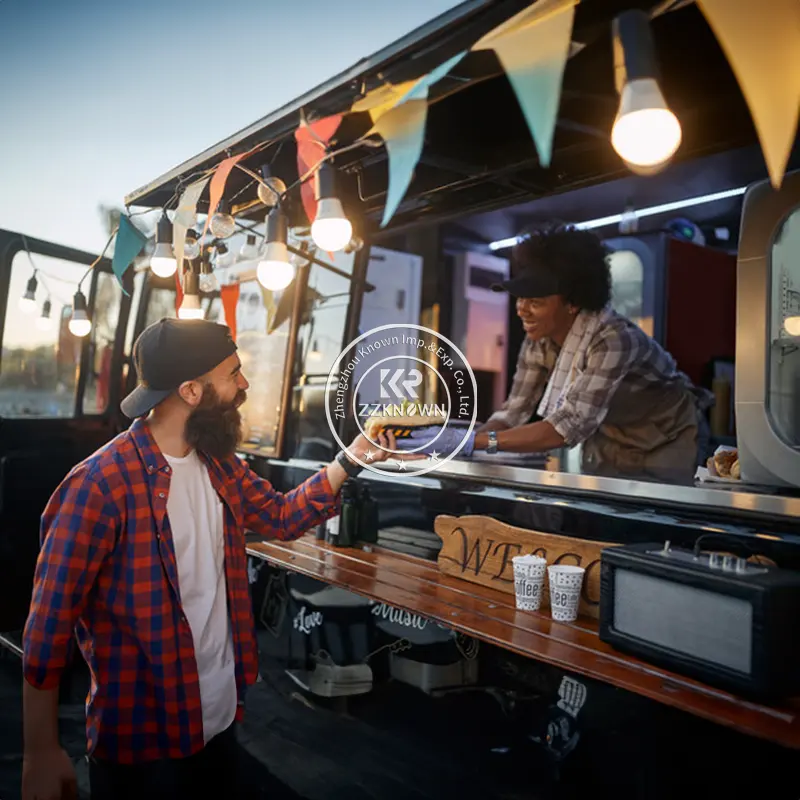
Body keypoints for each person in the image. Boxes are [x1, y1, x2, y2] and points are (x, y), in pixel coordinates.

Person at [21, 318, 396, 800]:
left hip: (218, 717)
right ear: (191, 390)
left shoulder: (217, 462)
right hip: (143, 739)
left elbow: (280, 516)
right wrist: (40, 751)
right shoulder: (99, 485)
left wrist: (351, 458)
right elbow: (47, 628)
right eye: (233, 373)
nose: (244, 384)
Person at [464, 226, 712, 483]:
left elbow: (566, 426)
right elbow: (514, 412)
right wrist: (464, 444)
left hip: (667, 436)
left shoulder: (613, 339)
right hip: (609, 435)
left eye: (535, 302)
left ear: (573, 303)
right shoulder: (538, 341)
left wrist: (480, 442)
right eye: (520, 299)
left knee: (656, 516)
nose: (522, 311)